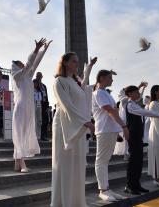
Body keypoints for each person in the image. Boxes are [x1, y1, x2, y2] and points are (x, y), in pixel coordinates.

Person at [51, 52, 96, 207]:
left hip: (77, 125)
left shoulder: (74, 81)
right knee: (64, 164)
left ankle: (75, 202)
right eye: (74, 61)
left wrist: (89, 67)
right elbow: (66, 105)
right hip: (65, 125)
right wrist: (86, 122)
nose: (77, 63)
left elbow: (83, 87)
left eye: (78, 61)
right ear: (65, 63)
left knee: (76, 164)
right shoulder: (59, 81)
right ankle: (61, 202)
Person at [122, 85, 159, 195]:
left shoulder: (134, 104)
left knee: (138, 161)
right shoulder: (130, 105)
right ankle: (130, 185)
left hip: (138, 136)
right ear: (130, 94)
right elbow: (145, 112)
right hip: (133, 135)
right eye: (136, 92)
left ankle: (136, 184)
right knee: (133, 161)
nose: (138, 94)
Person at [11, 38, 51, 172]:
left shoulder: (28, 76)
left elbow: (35, 63)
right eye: (21, 63)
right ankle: (22, 164)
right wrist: (35, 50)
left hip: (29, 108)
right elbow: (29, 64)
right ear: (17, 66)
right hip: (21, 108)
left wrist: (43, 50)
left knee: (25, 132)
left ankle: (17, 162)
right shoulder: (17, 76)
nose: (24, 64)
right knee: (20, 134)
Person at [92, 70, 129, 202]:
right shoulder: (98, 93)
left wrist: (118, 130)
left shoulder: (106, 93)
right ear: (101, 78)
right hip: (104, 130)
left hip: (110, 130)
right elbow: (110, 111)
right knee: (101, 160)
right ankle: (103, 190)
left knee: (105, 160)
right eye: (109, 78)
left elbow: (113, 111)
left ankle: (107, 188)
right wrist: (123, 126)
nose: (112, 80)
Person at [36, 72, 50, 141]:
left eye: (39, 76)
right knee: (39, 120)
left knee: (46, 120)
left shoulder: (44, 86)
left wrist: (47, 104)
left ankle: (43, 134)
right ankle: (39, 135)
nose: (38, 77)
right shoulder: (34, 83)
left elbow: (46, 95)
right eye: (37, 76)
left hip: (44, 104)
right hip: (38, 105)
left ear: (42, 77)